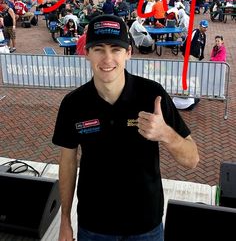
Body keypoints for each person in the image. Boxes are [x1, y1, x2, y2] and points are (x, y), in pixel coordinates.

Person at [52, 14, 199, 241]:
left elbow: (192, 160)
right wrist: (64, 221)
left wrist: (166, 134)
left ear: (129, 53)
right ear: (87, 53)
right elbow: (68, 162)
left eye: (116, 49)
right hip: (94, 226)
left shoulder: (152, 95)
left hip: (146, 227)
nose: (107, 58)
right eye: (98, 49)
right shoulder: (73, 103)